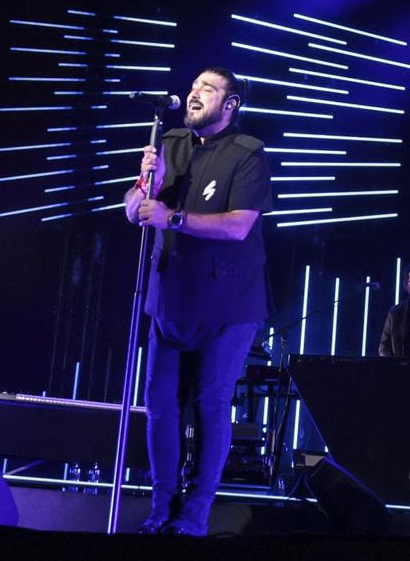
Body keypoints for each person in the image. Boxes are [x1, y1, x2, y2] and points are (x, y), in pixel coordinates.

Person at [122, 67, 272, 536]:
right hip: (169, 297)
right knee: (160, 404)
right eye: (192, 88)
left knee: (210, 401)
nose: (194, 95)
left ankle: (196, 512)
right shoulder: (169, 143)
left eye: (207, 90)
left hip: (228, 303)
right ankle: (160, 507)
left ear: (230, 106)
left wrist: (175, 218)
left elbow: (238, 225)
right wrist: (144, 187)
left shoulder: (248, 154)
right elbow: (134, 209)